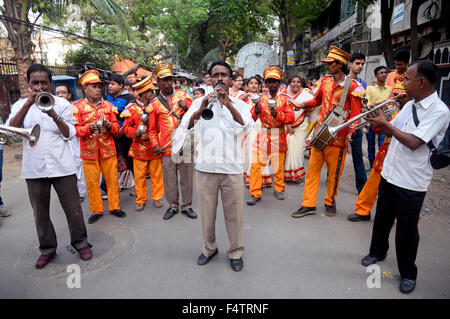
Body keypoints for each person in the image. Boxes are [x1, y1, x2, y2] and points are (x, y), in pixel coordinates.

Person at [361, 60, 449, 294]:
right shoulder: (410, 105)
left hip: (412, 179)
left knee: (407, 230)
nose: (402, 82)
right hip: (391, 171)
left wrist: (385, 126)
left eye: (407, 79)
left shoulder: (439, 111)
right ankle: (377, 252)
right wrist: (375, 120)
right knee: (382, 218)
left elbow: (413, 142)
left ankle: (408, 272)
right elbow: (391, 127)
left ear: (422, 82)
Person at [6, 63, 91, 268]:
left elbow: (70, 133)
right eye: (35, 83)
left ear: (51, 83)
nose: (40, 87)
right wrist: (28, 103)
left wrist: (53, 113)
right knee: (40, 213)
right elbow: (10, 131)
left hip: (62, 166)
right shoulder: (19, 106)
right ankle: (47, 249)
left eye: (44, 82)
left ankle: (81, 243)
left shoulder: (62, 105)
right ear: (28, 83)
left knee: (73, 210)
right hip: (35, 169)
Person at [179, 60, 254, 271]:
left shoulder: (241, 104)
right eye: (215, 75)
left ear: (231, 79)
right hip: (206, 168)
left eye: (224, 75)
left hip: (232, 168)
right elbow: (186, 126)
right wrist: (201, 107)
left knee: (235, 215)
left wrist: (227, 104)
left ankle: (236, 251)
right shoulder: (198, 102)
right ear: (210, 79)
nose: (220, 78)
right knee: (207, 215)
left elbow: (247, 127)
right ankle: (209, 249)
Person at [291, 45, 362, 218]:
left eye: (330, 63)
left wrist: (351, 133)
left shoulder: (353, 87)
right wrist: (302, 104)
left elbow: (356, 114)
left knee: (334, 174)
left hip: (338, 137)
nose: (327, 66)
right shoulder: (325, 82)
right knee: (313, 171)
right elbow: (316, 100)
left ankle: (330, 202)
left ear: (339, 64)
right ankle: (308, 204)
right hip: (320, 134)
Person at [348, 81, 408, 222]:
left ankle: (397, 216)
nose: (397, 99)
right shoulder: (393, 109)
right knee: (372, 184)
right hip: (385, 152)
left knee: (398, 188)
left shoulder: (409, 113)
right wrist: (376, 117)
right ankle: (363, 210)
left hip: (402, 156)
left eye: (401, 96)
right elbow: (378, 131)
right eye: (395, 95)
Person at [73, 69, 127, 224]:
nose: (98, 89)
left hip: (108, 149)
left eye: (99, 86)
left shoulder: (109, 106)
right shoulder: (78, 108)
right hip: (88, 152)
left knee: (112, 180)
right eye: (94, 86)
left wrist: (110, 126)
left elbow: (117, 129)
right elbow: (75, 131)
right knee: (92, 183)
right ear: (85, 88)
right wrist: (89, 128)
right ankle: (96, 210)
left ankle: (114, 207)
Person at [149, 62, 197, 220]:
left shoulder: (184, 96)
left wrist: (188, 108)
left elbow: (195, 118)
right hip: (166, 147)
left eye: (170, 79)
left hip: (184, 145)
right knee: (169, 179)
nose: (168, 82)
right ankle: (173, 206)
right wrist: (155, 144)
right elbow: (152, 129)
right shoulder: (154, 104)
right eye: (164, 80)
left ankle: (187, 205)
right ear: (158, 82)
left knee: (187, 178)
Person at [247, 66, 295, 205]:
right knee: (256, 166)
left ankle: (279, 189)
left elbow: (291, 118)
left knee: (278, 166)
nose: (272, 84)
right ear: (266, 84)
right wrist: (255, 111)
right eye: (270, 81)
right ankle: (255, 192)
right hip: (262, 134)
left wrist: (278, 115)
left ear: (279, 83)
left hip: (278, 135)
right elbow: (251, 118)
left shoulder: (286, 99)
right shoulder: (260, 99)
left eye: (275, 81)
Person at [122, 76, 164, 211]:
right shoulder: (132, 108)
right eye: (151, 91)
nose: (153, 93)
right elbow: (125, 128)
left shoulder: (157, 106)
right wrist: (136, 133)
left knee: (156, 174)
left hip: (154, 145)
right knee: (139, 176)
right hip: (138, 146)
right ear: (145, 94)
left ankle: (157, 197)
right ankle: (140, 199)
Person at [101, 73, 136, 197]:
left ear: (121, 86)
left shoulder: (129, 99)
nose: (109, 86)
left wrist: (122, 130)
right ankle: (105, 188)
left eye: (113, 84)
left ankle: (139, 188)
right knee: (108, 161)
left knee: (130, 160)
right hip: (110, 134)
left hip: (124, 135)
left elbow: (131, 115)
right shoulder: (106, 98)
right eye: (109, 83)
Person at [55, 83, 87, 202]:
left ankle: (79, 193)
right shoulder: (52, 108)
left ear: (69, 95)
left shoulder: (75, 108)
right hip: (60, 143)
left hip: (74, 142)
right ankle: (68, 193)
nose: (60, 95)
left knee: (76, 167)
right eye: (57, 93)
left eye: (63, 92)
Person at [242, 76, 272, 188]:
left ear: (259, 86)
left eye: (256, 83)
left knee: (261, 153)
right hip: (249, 128)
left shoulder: (263, 98)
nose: (254, 85)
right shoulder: (244, 99)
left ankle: (262, 178)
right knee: (250, 152)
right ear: (247, 86)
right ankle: (251, 178)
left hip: (261, 127)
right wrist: (247, 95)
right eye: (251, 83)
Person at [284, 76, 314, 183]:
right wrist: (288, 126)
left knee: (300, 149)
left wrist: (303, 107)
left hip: (301, 126)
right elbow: (281, 112)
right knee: (289, 150)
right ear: (289, 83)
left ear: (301, 84)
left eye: (298, 82)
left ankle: (297, 175)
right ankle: (288, 173)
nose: (295, 84)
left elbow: (311, 110)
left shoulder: (306, 95)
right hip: (287, 126)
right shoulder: (284, 95)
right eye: (293, 82)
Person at [347, 53, 368, 194]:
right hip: (341, 124)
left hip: (356, 124)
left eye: (362, 64)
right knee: (336, 156)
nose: (360, 66)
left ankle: (362, 188)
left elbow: (363, 103)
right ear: (350, 64)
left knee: (358, 156)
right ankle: (331, 182)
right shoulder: (342, 81)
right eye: (357, 63)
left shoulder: (362, 83)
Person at [364, 66, 391, 168]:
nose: (384, 74)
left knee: (382, 145)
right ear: (375, 75)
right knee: (371, 145)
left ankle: (379, 167)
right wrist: (382, 103)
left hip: (385, 119)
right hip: (371, 118)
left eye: (385, 72)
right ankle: (372, 165)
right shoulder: (370, 88)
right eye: (381, 72)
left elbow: (391, 103)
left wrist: (382, 103)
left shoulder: (389, 89)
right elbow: (368, 104)